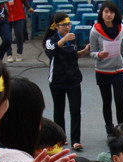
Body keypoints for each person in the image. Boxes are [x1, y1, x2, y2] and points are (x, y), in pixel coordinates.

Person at [44, 11, 90, 151]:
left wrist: (84, 51)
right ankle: (60, 137)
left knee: (75, 109)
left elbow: (72, 56)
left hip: (74, 79)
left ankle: (76, 140)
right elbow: (51, 52)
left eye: (68, 24)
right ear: (56, 26)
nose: (67, 27)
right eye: (64, 25)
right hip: (58, 80)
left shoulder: (72, 39)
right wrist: (63, 40)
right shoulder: (50, 40)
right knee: (59, 110)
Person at [89, 1, 123, 138]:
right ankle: (109, 129)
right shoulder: (95, 30)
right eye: (106, 12)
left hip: (118, 70)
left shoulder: (121, 28)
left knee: (119, 101)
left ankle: (122, 129)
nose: (109, 15)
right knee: (106, 101)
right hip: (102, 70)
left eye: (111, 12)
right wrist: (98, 55)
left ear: (115, 14)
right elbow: (92, 51)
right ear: (101, 13)